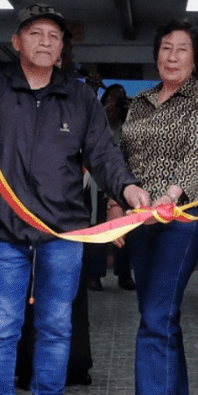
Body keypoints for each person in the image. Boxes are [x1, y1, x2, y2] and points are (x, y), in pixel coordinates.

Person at [0, 4, 153, 395]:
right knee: (1, 326)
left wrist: (127, 190)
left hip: (63, 233)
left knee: (56, 327)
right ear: (16, 42)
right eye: (35, 34)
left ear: (62, 47)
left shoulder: (80, 98)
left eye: (54, 37)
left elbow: (102, 155)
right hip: (2, 229)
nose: (45, 42)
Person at [115, 19, 198, 395]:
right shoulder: (140, 101)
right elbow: (124, 156)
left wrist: (172, 194)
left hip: (182, 216)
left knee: (156, 317)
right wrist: (119, 202)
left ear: (194, 60)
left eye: (182, 49)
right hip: (140, 217)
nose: (172, 56)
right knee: (160, 317)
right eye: (165, 48)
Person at [85, 83, 136, 291]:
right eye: (112, 99)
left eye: (120, 99)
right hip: (97, 185)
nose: (115, 103)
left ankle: (124, 274)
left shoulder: (130, 125)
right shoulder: (98, 121)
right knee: (98, 230)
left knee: (125, 231)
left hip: (122, 186)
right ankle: (94, 275)